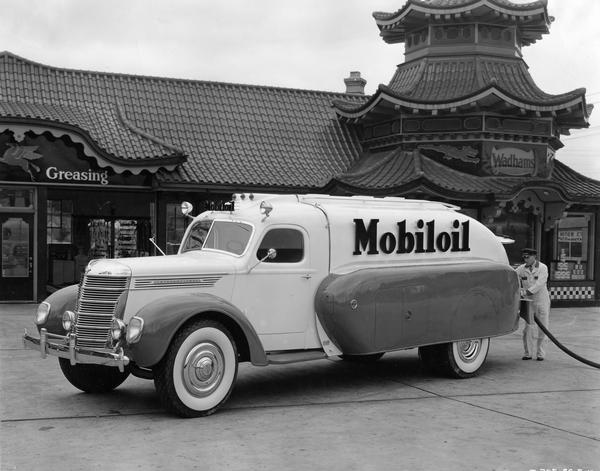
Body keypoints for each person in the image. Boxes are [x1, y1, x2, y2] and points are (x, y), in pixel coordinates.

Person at [516, 247, 551, 361]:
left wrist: (526, 291)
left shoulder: (542, 268)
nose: (525, 259)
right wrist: (518, 290)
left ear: (534, 257)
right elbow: (513, 278)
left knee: (543, 327)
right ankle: (528, 353)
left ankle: (540, 353)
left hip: (541, 300)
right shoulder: (521, 269)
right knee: (528, 328)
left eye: (528, 257)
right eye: (524, 257)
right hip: (529, 302)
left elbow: (540, 283)